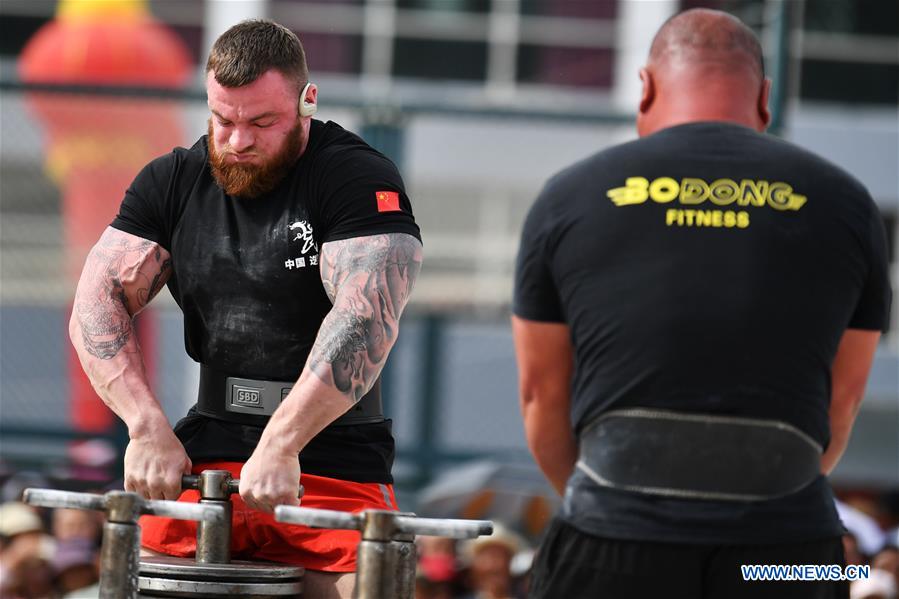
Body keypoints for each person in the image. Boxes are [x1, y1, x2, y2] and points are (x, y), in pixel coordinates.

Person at [512, 8, 890, 599]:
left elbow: (541, 394)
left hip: (611, 537)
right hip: (792, 556)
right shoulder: (848, 203)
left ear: (647, 88)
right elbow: (843, 401)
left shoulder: (570, 196)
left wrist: (607, 502)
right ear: (765, 99)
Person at [68, 19, 422, 598]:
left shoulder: (356, 178)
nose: (237, 141)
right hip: (206, 450)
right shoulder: (173, 180)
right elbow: (96, 301)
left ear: (307, 101)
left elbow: (365, 321)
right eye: (223, 120)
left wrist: (282, 445)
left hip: (329, 456)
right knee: (129, 574)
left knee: (373, 586)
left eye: (262, 122)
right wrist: (145, 426)